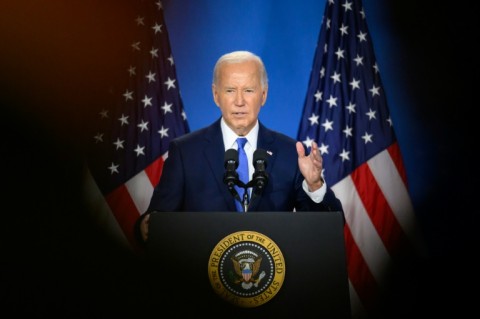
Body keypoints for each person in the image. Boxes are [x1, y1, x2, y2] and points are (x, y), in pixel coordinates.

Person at [135, 50, 343, 243]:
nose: (239, 101)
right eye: (230, 90)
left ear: (263, 95)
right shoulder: (185, 152)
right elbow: (154, 223)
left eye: (249, 90)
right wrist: (147, 226)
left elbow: (328, 228)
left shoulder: (290, 153)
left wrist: (315, 185)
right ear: (216, 95)